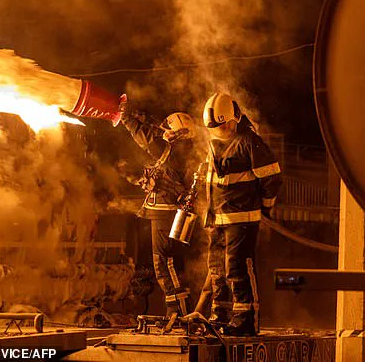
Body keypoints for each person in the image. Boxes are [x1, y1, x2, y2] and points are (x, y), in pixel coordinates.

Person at [201, 92, 282, 336]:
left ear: (233, 118)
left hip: (242, 218)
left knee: (237, 267)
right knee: (217, 268)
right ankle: (220, 314)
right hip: (218, 218)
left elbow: (272, 178)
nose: (220, 130)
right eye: (216, 127)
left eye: (223, 125)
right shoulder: (214, 143)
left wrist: (266, 207)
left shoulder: (249, 142)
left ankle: (246, 319)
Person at [121, 105, 197, 322]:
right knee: (170, 264)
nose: (164, 132)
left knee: (165, 263)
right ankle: (178, 312)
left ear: (177, 134)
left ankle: (179, 314)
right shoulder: (184, 151)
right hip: (170, 213)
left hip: (166, 213)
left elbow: (146, 140)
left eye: (168, 130)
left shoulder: (172, 151)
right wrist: (144, 116)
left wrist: (127, 119)